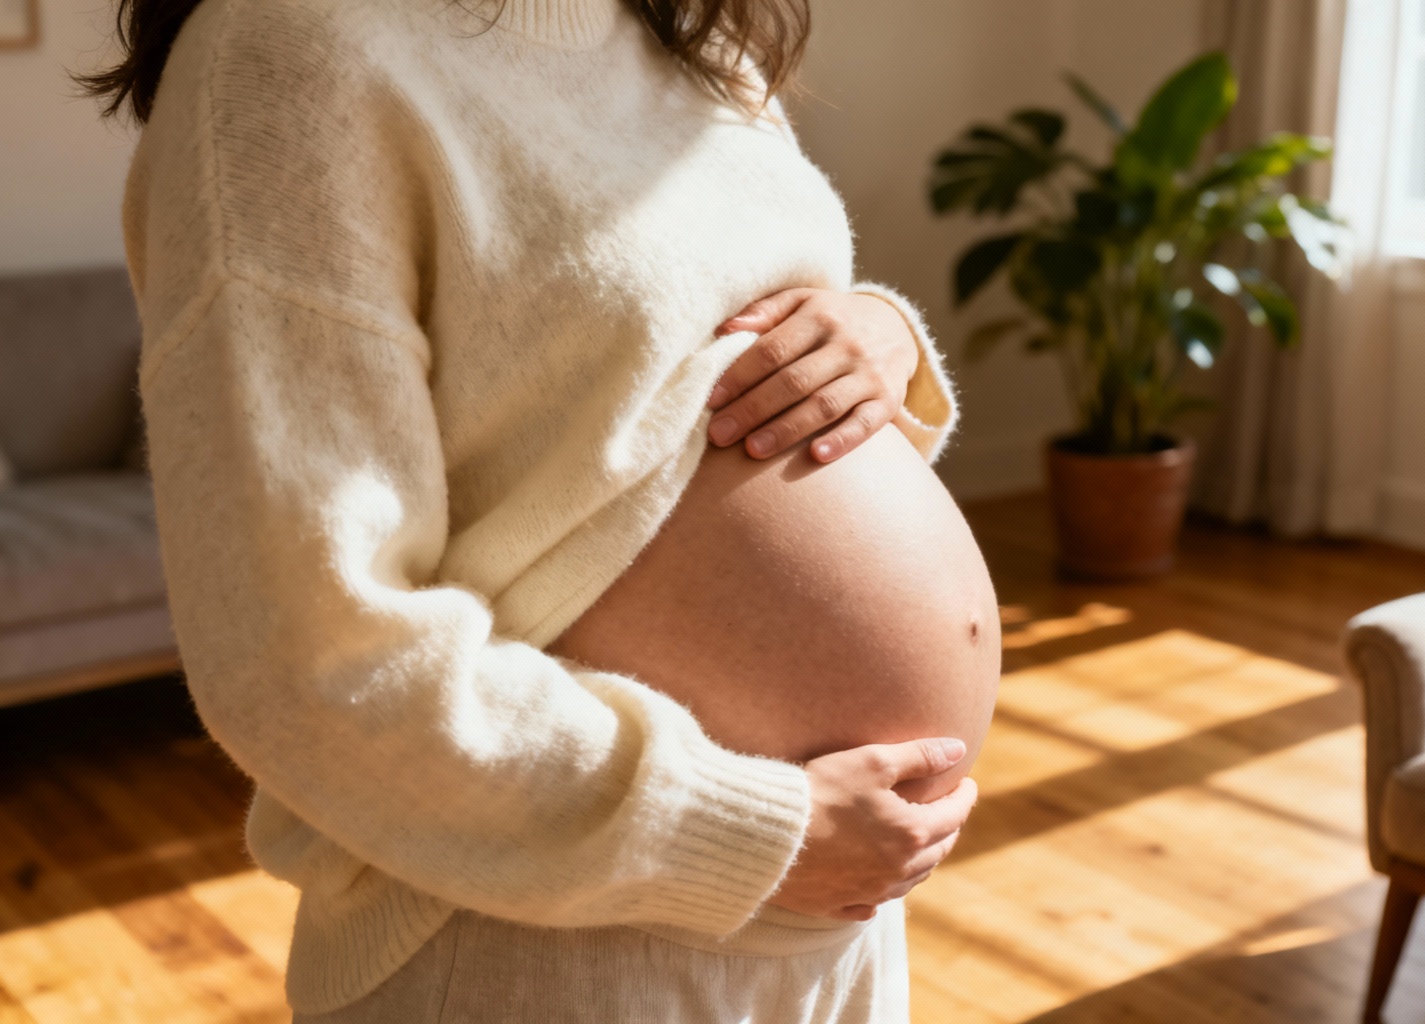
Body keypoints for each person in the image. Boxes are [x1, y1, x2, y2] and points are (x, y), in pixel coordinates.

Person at [86, 0, 1004, 1019]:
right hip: (552, 938)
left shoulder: (693, 40)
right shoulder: (285, 53)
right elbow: (302, 652)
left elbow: (691, 368)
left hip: (837, 906)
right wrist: (745, 832)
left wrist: (878, 332)